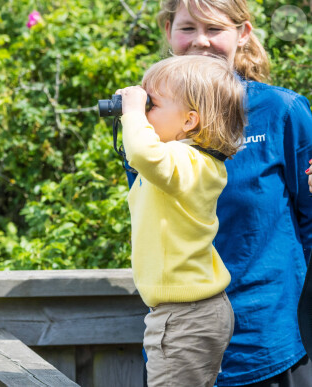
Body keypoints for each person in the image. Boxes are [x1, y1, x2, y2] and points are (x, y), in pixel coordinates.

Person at [123, 0, 312, 385]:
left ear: (243, 34)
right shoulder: (154, 124)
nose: (201, 42)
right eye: (188, 28)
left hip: (266, 336)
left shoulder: (282, 111)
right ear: (168, 31)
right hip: (177, 333)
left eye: (215, 29)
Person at [118, 54, 244, 386]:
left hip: (188, 315)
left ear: (189, 121)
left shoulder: (190, 161)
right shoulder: (184, 163)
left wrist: (131, 111)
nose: (143, 113)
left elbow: (143, 154)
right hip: (184, 313)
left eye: (151, 105)